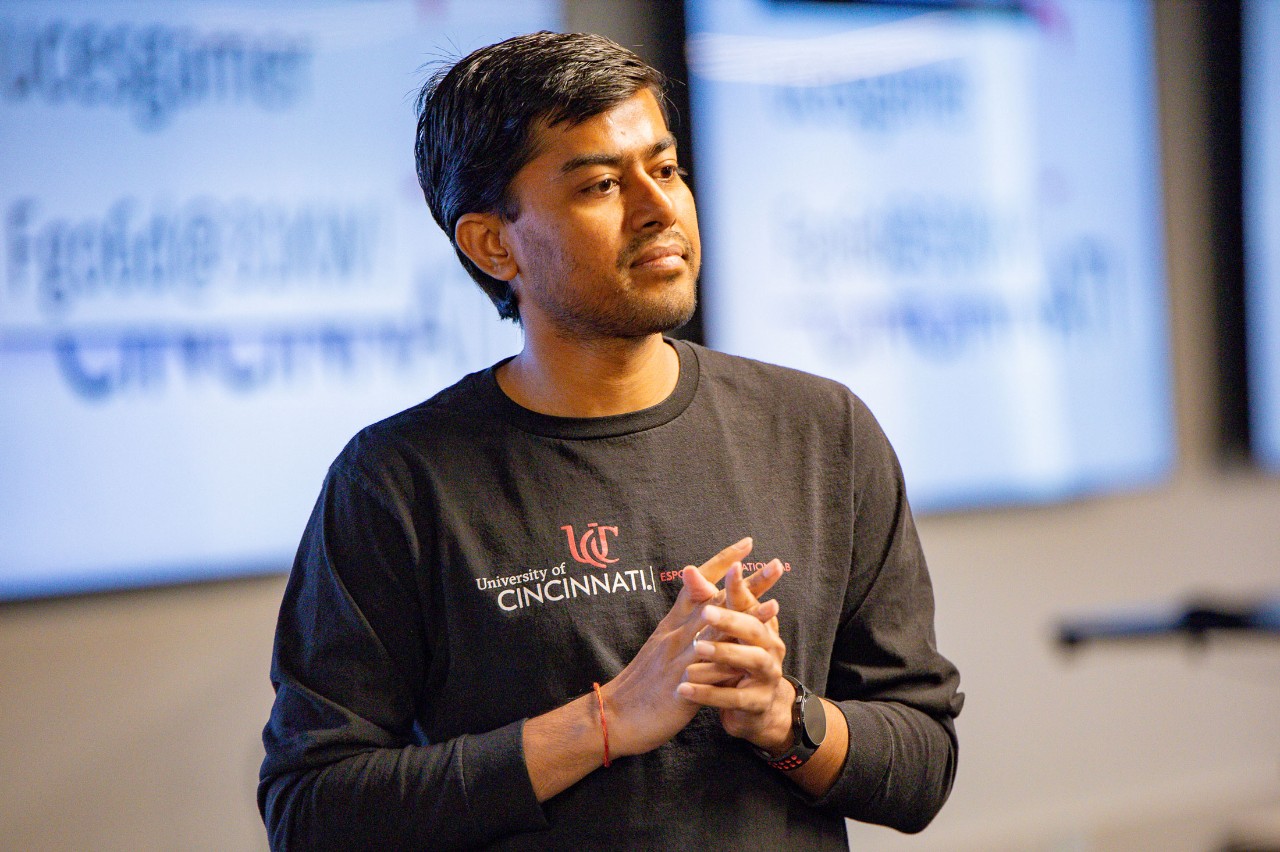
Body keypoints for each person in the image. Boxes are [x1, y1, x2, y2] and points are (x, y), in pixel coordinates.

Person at [259, 31, 963, 850]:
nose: (659, 207)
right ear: (492, 243)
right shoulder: (397, 481)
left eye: (666, 169)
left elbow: (922, 766)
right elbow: (311, 812)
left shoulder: (822, 431)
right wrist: (605, 721)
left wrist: (782, 716)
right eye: (600, 184)